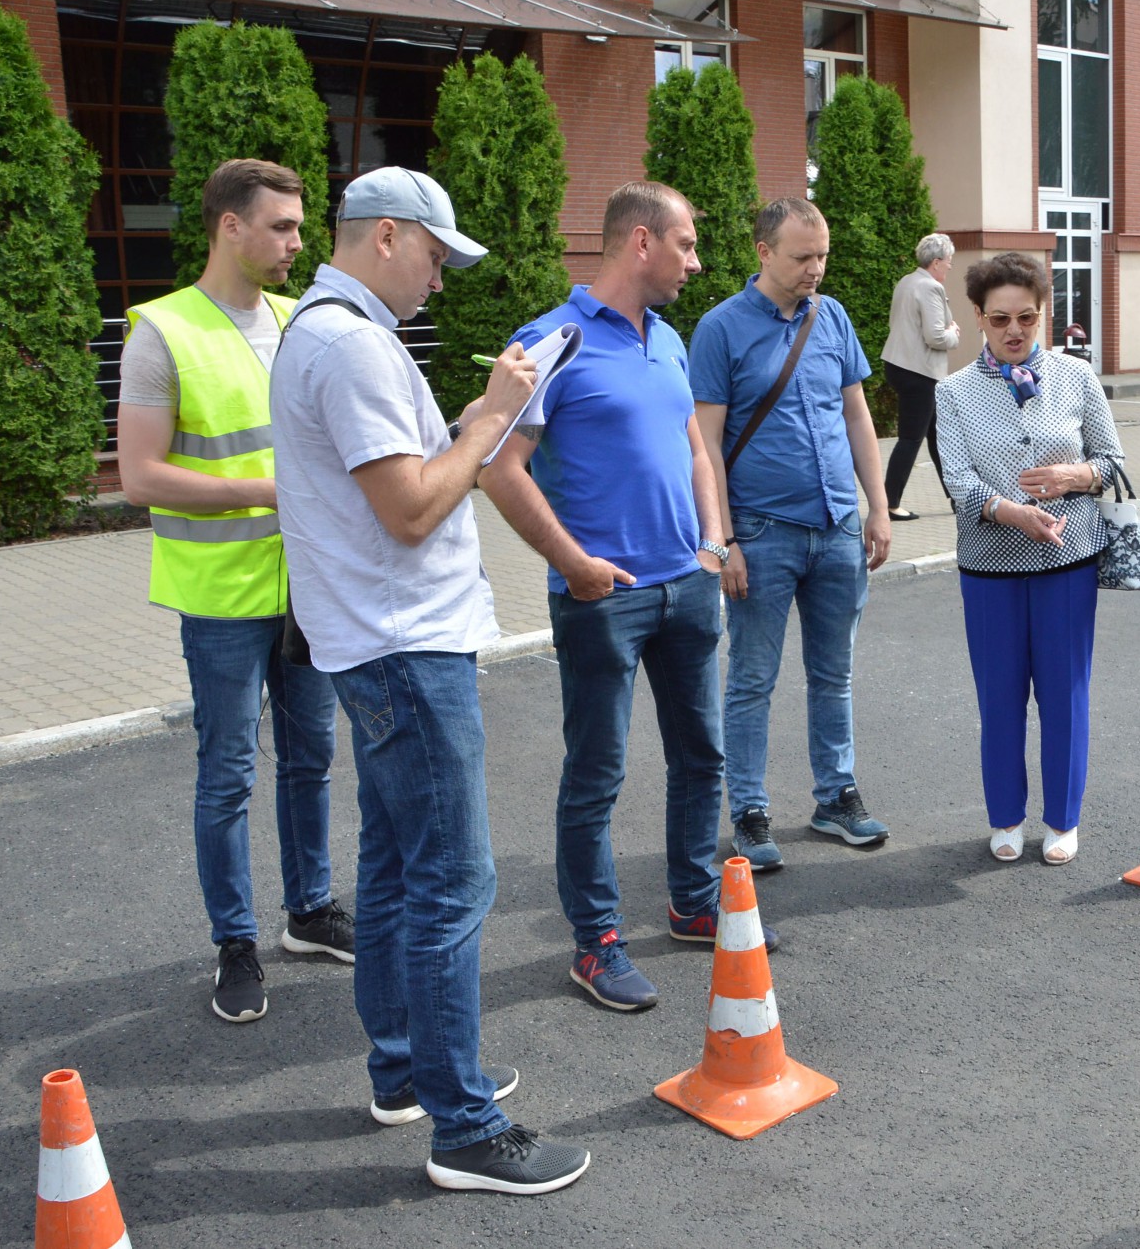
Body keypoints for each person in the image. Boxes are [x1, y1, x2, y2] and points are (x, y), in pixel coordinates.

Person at [270, 166, 589, 1195]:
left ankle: (407, 1071)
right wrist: (493, 419)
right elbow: (410, 510)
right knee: (453, 879)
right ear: (389, 238)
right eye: (438, 257)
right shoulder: (352, 343)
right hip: (402, 646)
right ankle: (463, 1127)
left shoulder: (322, 331)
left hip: (376, 642)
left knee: (403, 872)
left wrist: (464, 430)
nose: (443, 280)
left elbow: (399, 486)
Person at [478, 181, 773, 1015]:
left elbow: (696, 449)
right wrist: (573, 564)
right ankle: (595, 943)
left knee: (701, 756)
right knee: (597, 775)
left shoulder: (670, 342)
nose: (697, 261)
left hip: (687, 585)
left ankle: (690, 903)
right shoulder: (551, 342)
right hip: (602, 598)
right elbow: (499, 467)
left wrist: (713, 542)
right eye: (685, 245)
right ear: (640, 243)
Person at [116, 158, 348, 1025]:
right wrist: (273, 493)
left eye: (299, 225)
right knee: (226, 777)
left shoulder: (300, 321)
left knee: (312, 758)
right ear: (229, 227)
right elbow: (140, 477)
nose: (297, 242)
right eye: (282, 227)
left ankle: (311, 912)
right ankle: (235, 943)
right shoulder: (163, 334)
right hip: (220, 594)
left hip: (307, 589)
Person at [691, 197, 894, 874]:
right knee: (752, 679)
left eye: (823, 255)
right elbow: (707, 444)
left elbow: (858, 418)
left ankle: (835, 796)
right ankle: (748, 810)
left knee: (832, 676)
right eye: (803, 257)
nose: (817, 269)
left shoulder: (831, 317)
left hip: (838, 529)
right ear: (763, 252)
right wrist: (722, 540)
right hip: (762, 536)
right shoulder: (720, 329)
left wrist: (879, 507)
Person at [935, 252, 1124, 867]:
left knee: (1065, 693)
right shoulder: (954, 393)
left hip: (1069, 562)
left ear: (1045, 314)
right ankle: (1006, 817)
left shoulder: (1078, 379)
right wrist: (1006, 511)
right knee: (1000, 696)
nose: (1014, 331)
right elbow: (958, 481)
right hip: (989, 566)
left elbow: (1113, 462)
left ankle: (1063, 819)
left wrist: (1076, 474)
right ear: (978, 318)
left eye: (1027, 317)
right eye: (999, 320)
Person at [880, 233, 961, 520]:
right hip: (920, 372)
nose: (950, 267)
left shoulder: (906, 281)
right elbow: (936, 336)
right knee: (911, 439)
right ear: (937, 262)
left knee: (939, 438)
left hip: (899, 365)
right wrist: (954, 334)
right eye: (949, 261)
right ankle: (889, 504)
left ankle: (957, 497)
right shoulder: (930, 287)